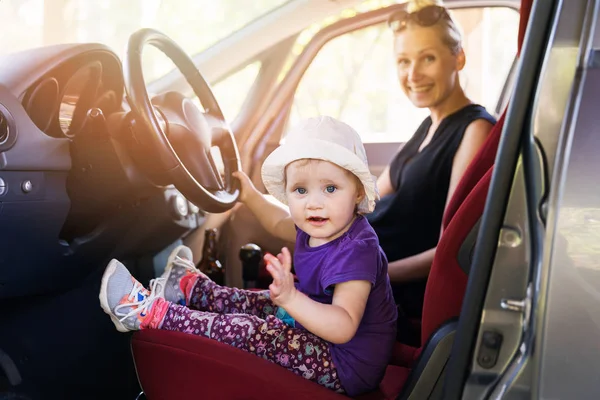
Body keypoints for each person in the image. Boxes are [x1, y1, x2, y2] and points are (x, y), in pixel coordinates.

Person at [99, 116, 398, 396]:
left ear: (358, 192)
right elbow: (279, 221)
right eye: (301, 190)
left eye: (330, 188)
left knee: (255, 330)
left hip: (346, 365)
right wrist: (250, 196)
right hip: (322, 337)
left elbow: (344, 326)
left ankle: (151, 315)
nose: (314, 204)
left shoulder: (358, 251)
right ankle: (192, 289)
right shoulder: (320, 225)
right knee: (262, 299)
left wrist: (293, 299)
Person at [366, 0, 496, 338]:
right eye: (404, 61)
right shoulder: (427, 127)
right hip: (363, 278)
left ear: (459, 58)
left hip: (388, 303)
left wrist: (372, 275)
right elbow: (366, 205)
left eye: (428, 58)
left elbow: (448, 250)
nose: (413, 75)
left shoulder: (474, 130)